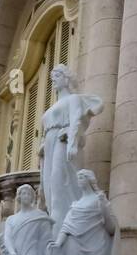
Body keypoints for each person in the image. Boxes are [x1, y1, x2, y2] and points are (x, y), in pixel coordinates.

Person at [38, 65, 103, 231]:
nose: (53, 78)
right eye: (52, 76)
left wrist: (72, 143)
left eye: (57, 75)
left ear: (66, 79)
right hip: (50, 145)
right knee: (49, 187)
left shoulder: (73, 99)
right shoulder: (52, 107)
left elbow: (76, 120)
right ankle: (56, 223)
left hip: (62, 141)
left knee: (58, 181)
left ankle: (63, 226)